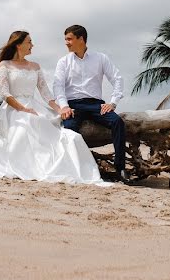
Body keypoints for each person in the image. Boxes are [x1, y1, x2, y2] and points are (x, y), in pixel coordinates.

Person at [0, 30, 107, 185]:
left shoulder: (35, 66)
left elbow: (45, 92)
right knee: (22, 132)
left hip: (34, 105)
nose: (32, 45)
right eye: (29, 42)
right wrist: (22, 109)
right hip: (14, 108)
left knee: (68, 137)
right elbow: (5, 93)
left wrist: (59, 109)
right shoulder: (5, 65)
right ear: (18, 44)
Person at [53, 24, 130, 184]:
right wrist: (64, 106)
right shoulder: (63, 62)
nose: (66, 42)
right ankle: (73, 169)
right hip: (73, 105)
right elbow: (58, 85)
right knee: (69, 130)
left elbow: (117, 79)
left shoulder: (101, 58)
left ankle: (120, 169)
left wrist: (113, 102)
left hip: (96, 105)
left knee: (117, 122)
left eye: (69, 39)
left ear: (81, 39)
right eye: (65, 39)